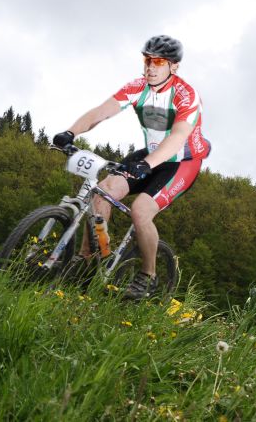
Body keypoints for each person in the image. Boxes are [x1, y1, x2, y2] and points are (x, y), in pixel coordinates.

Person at [52, 35, 211, 300]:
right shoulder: (138, 87)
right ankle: (89, 259)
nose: (150, 67)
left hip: (182, 162)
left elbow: (177, 138)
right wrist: (70, 132)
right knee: (102, 192)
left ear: (173, 66)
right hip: (150, 154)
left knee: (141, 211)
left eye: (158, 62)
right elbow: (101, 112)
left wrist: (147, 165)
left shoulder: (186, 95)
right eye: (147, 60)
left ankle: (148, 276)